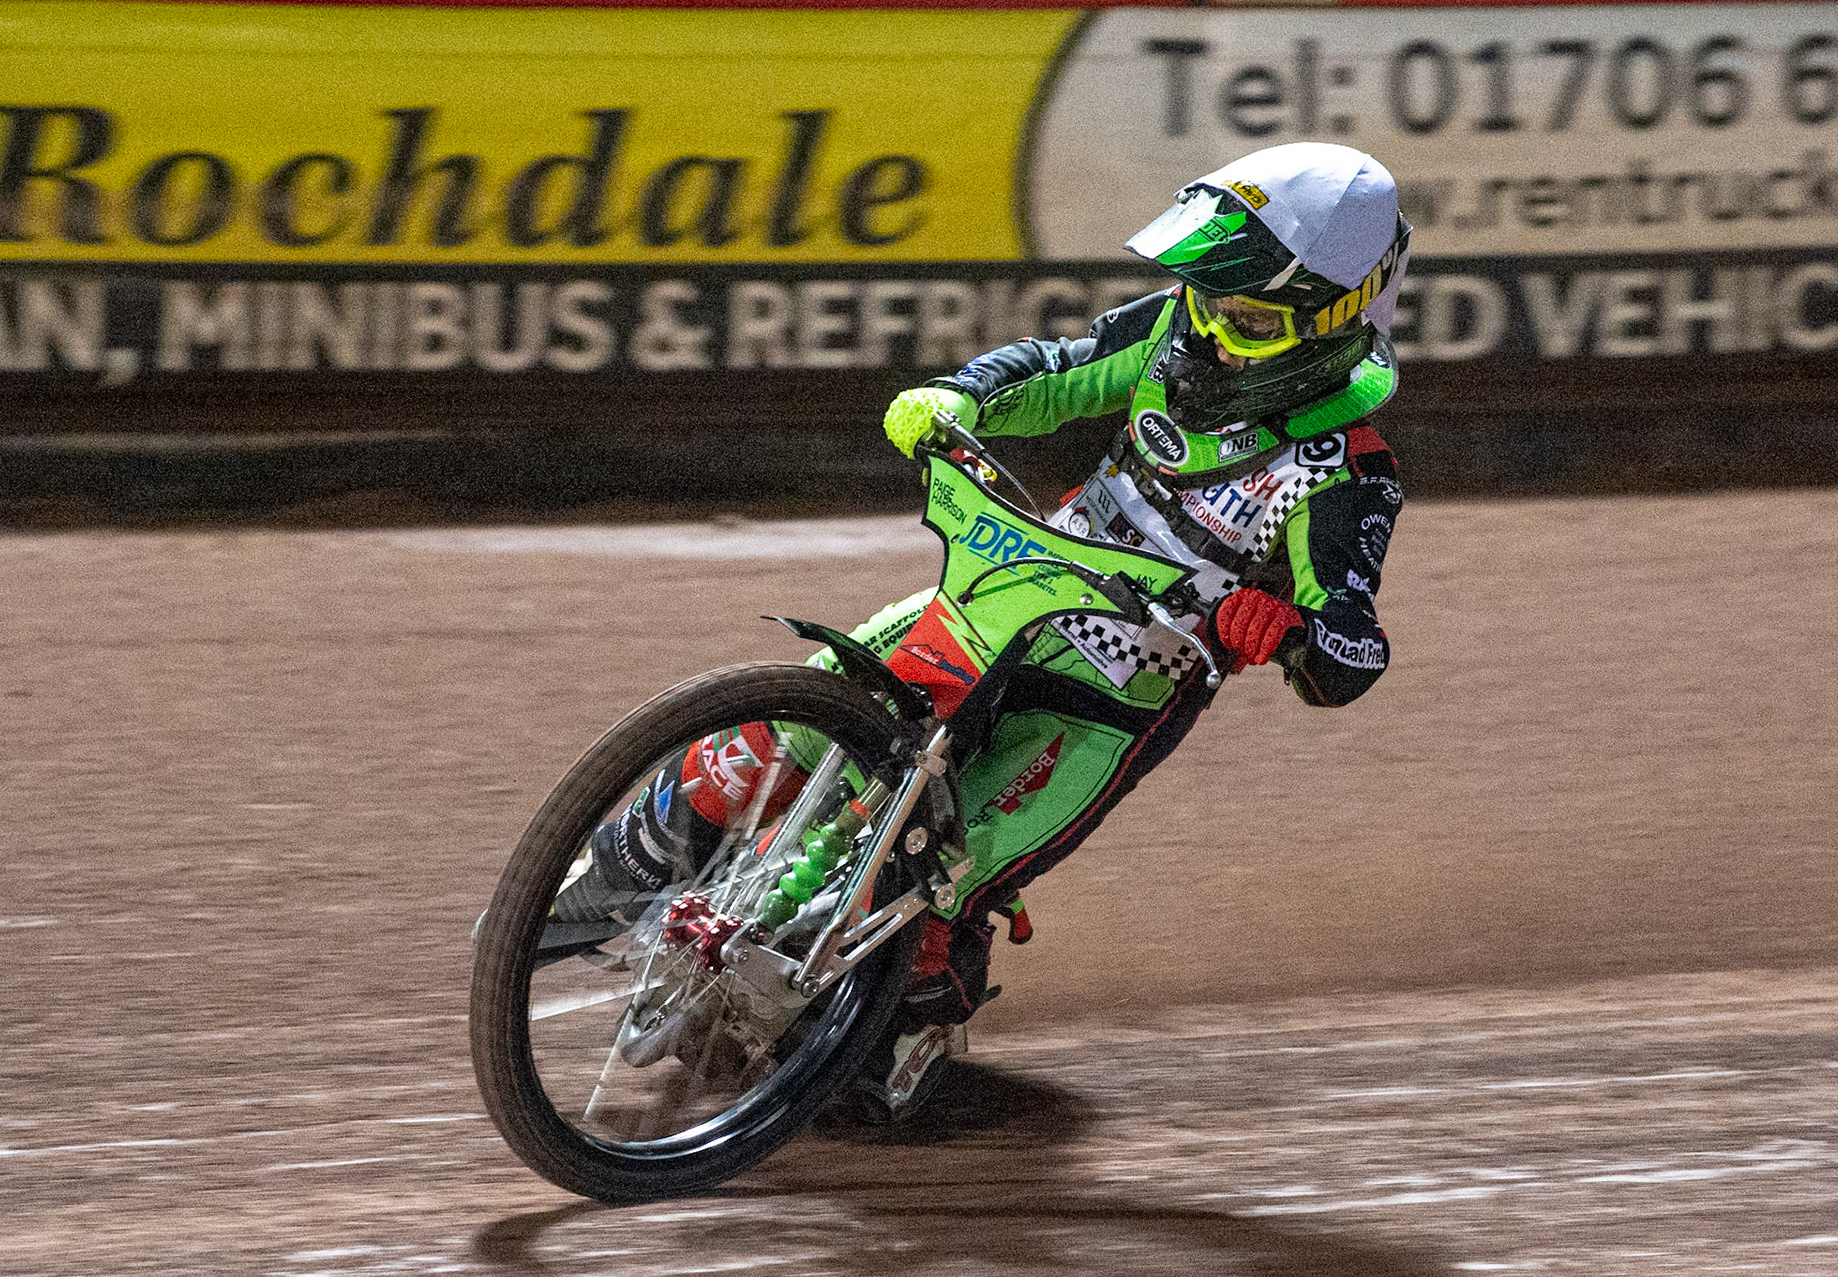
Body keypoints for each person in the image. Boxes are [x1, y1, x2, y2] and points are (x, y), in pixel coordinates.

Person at [556, 142, 1412, 1119]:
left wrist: (1290, 628)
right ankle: (624, 860)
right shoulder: (1176, 328)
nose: (1212, 325)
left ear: (1332, 318)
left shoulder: (1348, 470)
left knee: (957, 863)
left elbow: (1353, 646)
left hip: (1122, 689)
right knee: (816, 697)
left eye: (1245, 312)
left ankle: (908, 1015)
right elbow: (1053, 371)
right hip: (1016, 587)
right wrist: (959, 395)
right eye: (1207, 295)